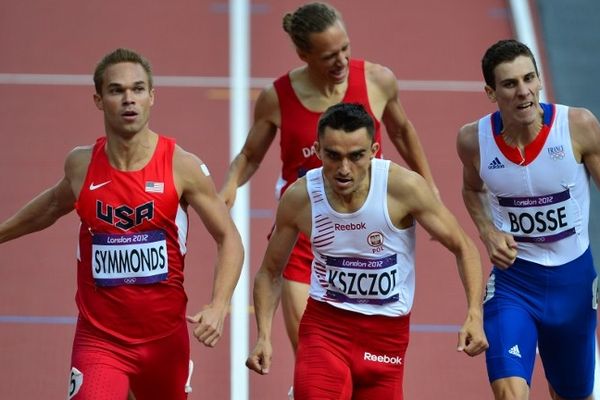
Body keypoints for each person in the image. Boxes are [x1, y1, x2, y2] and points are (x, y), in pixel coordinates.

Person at [0, 48, 244, 399]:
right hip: (99, 339)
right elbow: (52, 205)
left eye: (138, 89)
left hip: (164, 341)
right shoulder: (81, 165)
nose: (129, 99)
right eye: (117, 90)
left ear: (152, 97)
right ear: (99, 100)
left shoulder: (181, 166)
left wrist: (219, 305)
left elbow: (230, 238)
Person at [220, 1, 437, 359]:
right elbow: (248, 156)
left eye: (345, 49)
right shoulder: (278, 98)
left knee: (368, 358)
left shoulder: (376, 81)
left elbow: (401, 130)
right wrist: (229, 187)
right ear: (304, 54)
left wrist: (428, 184)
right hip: (306, 229)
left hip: (370, 234)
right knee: (313, 354)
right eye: (328, 56)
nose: (340, 62)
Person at [246, 103, 487, 399]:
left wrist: (475, 313)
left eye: (356, 156)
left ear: (373, 150)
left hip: (387, 340)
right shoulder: (300, 198)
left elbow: (464, 247)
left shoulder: (403, 188)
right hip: (325, 330)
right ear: (318, 150)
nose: (344, 169)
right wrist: (264, 336)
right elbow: (270, 272)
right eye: (333, 156)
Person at [456, 39, 600, 400]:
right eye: (509, 84)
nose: (524, 92)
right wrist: (488, 231)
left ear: (538, 80)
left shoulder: (578, 126)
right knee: (510, 393)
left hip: (574, 284)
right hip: (514, 283)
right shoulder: (474, 140)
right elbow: (471, 191)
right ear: (491, 92)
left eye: (529, 79)